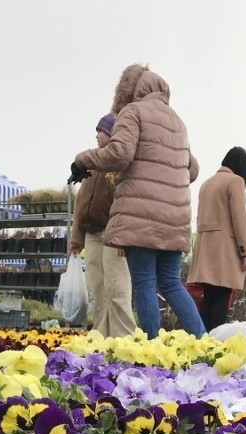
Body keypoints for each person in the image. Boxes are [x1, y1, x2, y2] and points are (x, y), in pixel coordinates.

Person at [72, 64, 204, 338]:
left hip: (142, 213)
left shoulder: (132, 112)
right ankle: (205, 342)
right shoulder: (177, 121)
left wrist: (82, 159)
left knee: (144, 282)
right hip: (176, 217)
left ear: (128, 90)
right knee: (171, 283)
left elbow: (120, 154)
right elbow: (191, 169)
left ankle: (150, 350)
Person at [69, 113, 137, 338]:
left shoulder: (122, 165)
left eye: (101, 131)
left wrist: (125, 236)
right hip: (92, 233)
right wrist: (76, 239)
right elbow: (80, 203)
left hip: (113, 233)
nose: (97, 136)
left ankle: (123, 339)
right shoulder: (92, 164)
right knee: (97, 289)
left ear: (112, 134)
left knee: (116, 288)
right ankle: (100, 338)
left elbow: (129, 201)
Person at [186, 147, 246, 331]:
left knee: (208, 298)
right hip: (225, 249)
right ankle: (217, 343)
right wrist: (245, 252)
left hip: (205, 247)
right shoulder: (235, 181)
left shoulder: (207, 183)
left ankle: (203, 339)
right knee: (222, 297)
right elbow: (239, 219)